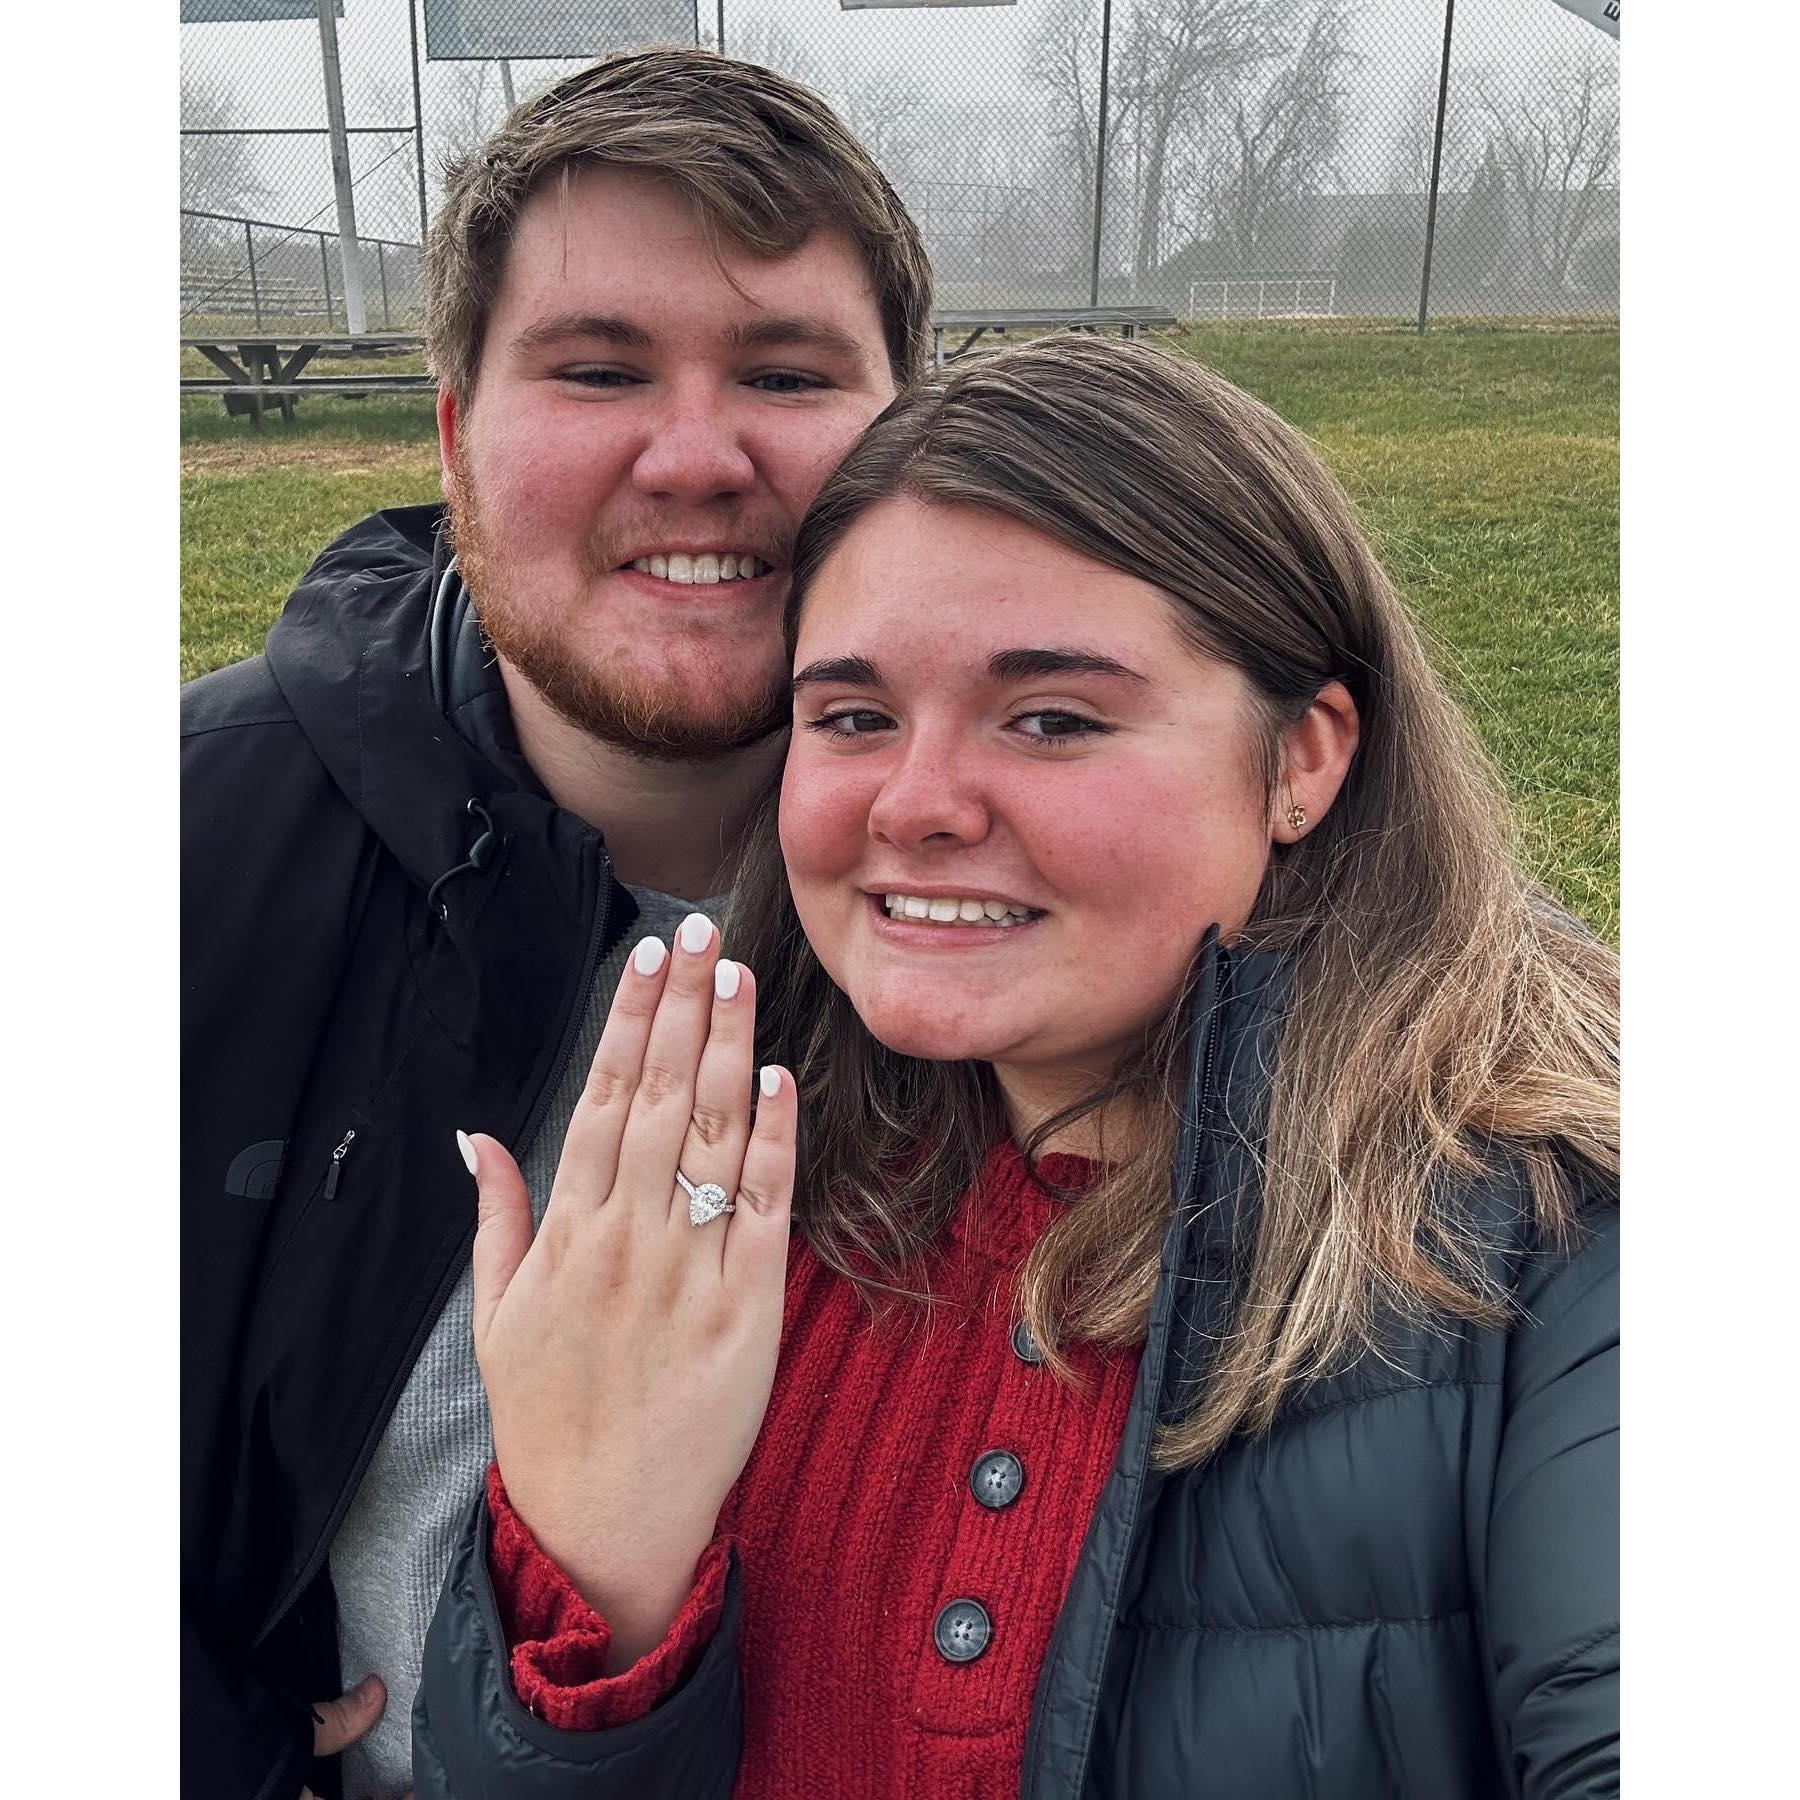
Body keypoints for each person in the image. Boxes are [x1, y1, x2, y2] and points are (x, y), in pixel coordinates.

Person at [414, 335, 1620, 1799]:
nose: (916, 805)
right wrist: (592, 1570)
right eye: (852, 716)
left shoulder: (1569, 1243)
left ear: (1303, 758)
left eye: (1052, 718)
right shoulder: (725, 1203)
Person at [180, 47, 932, 1800]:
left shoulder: (1081, 893)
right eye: (598, 369)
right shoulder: (163, 847)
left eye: (786, 372)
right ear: (454, 434)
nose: (697, 453)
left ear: (915, 429)